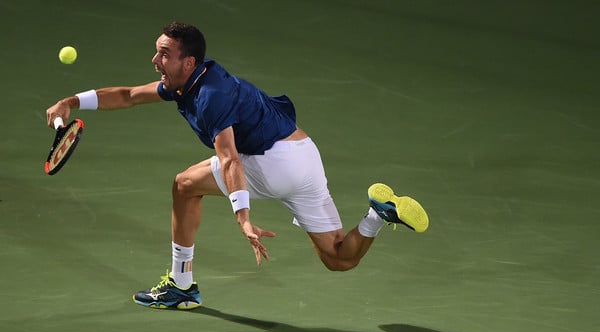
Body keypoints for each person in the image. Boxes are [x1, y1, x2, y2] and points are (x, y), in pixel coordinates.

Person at [46, 22, 429, 310]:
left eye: (164, 54)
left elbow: (230, 158)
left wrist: (243, 217)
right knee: (338, 258)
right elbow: (128, 96)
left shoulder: (211, 98)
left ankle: (182, 285)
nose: (155, 60)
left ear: (188, 61)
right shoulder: (192, 80)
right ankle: (378, 215)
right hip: (305, 155)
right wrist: (71, 101)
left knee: (184, 185)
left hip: (272, 163)